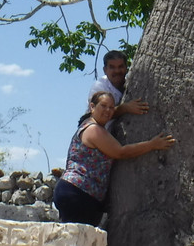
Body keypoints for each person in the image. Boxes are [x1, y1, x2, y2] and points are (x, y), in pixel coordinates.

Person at [53, 91, 175, 226]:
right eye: (104, 106)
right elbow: (120, 152)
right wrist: (152, 144)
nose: (108, 111)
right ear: (92, 106)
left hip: (81, 194)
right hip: (78, 193)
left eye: (111, 107)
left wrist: (125, 108)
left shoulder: (90, 124)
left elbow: (107, 114)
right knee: (77, 242)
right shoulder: (93, 130)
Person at [88, 50, 148, 136]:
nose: (117, 71)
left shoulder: (133, 84)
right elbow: (99, 115)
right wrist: (125, 108)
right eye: (112, 67)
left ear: (127, 68)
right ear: (105, 70)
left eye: (120, 67)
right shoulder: (100, 87)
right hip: (98, 138)